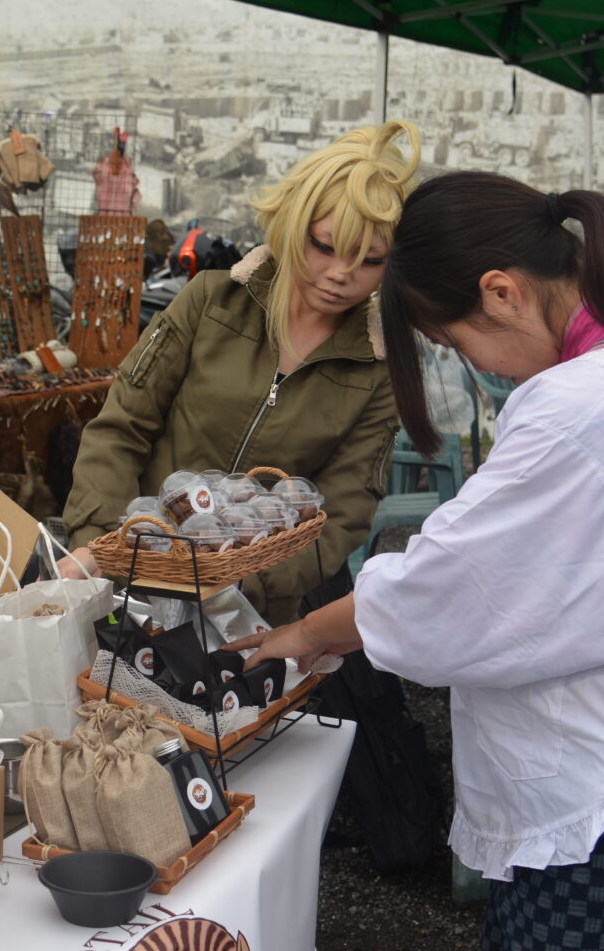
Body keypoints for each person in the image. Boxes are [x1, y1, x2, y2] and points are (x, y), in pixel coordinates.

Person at [231, 172, 604, 951]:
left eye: (453, 342)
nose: (473, 364)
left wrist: (302, 632)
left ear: (502, 292)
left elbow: (444, 589)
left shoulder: (579, 405)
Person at [61, 121, 420, 625]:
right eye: (324, 246)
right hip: (135, 581)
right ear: (292, 224)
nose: (341, 273)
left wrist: (238, 583)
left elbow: (341, 513)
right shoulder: (211, 302)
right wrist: (105, 546)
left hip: (251, 613)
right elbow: (121, 428)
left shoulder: (379, 368)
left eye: (369, 260)